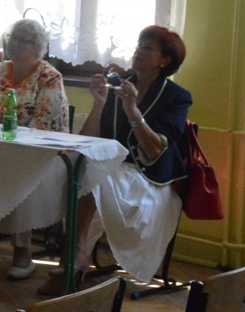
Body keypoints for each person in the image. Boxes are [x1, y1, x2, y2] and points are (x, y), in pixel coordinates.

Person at [38, 26, 191, 296]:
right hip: (111, 170)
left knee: (91, 175)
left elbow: (154, 151)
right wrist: (98, 103)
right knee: (79, 170)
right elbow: (88, 141)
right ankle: (74, 259)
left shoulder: (176, 97)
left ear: (165, 60)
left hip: (148, 177)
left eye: (148, 48)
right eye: (139, 45)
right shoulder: (119, 84)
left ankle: (74, 258)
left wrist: (132, 111)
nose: (138, 51)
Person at [0, 18, 69, 280]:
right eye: (13, 38)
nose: (15, 44)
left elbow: (40, 126)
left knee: (19, 171)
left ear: (38, 47)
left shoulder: (49, 77)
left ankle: (22, 252)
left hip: (38, 154)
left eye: (24, 40)